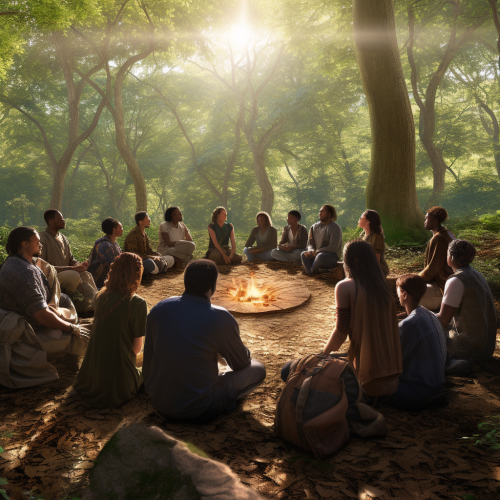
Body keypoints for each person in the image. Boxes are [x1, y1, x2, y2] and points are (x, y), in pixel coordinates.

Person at [143, 259, 266, 422]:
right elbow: (241, 363)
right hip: (200, 407)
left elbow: (148, 360)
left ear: (185, 281)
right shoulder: (221, 317)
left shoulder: (159, 308)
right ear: (212, 286)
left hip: (159, 401)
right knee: (258, 368)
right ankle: (224, 398)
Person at [0, 227, 89, 378]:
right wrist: (71, 328)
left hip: (32, 320)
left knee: (65, 299)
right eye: (37, 242)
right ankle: (71, 348)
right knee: (87, 336)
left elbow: (49, 269)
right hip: (29, 333)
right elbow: (41, 315)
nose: (40, 245)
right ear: (25, 244)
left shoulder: (17, 261)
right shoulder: (23, 271)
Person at [322, 240, 402, 401]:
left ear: (349, 261)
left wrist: (321, 356)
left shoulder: (345, 286)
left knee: (288, 371)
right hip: (394, 380)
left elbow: (340, 332)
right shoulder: (384, 287)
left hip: (368, 382)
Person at [74, 253, 147, 408]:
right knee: (152, 359)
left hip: (93, 376)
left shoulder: (101, 296)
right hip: (118, 384)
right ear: (136, 274)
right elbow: (136, 350)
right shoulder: (136, 303)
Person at [384, 274, 446, 411]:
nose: (398, 296)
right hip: (437, 387)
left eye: (398, 293)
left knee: (368, 387)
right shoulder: (428, 314)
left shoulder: (409, 325)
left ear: (404, 294)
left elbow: (393, 363)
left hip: (420, 392)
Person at [436, 240, 498, 368]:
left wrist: (420, 314)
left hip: (468, 348)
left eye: (447, 253)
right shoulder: (477, 275)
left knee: (423, 332)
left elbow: (443, 320)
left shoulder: (456, 280)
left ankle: (449, 363)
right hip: (486, 347)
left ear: (452, 257)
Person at [39, 209, 97, 313]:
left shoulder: (63, 238)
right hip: (51, 276)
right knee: (73, 275)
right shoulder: (42, 238)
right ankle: (77, 303)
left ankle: (94, 302)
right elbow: (43, 266)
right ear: (51, 221)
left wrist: (79, 265)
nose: (64, 220)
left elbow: (71, 259)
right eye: (61, 218)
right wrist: (73, 268)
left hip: (67, 273)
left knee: (86, 274)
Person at [418, 206, 455, 310]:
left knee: (410, 290)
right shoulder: (447, 234)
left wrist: (415, 279)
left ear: (435, 220)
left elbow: (433, 268)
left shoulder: (439, 238)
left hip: (442, 287)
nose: (424, 221)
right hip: (448, 285)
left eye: (426, 218)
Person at [124, 211, 174, 276]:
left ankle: (160, 266)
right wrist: (151, 257)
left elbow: (148, 250)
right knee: (150, 263)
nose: (149, 220)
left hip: (146, 259)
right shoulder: (133, 235)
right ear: (140, 222)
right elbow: (134, 256)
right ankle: (161, 267)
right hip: (136, 263)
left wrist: (157, 255)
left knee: (170, 258)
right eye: (147, 218)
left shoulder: (144, 233)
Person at [301, 204, 342, 274]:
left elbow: (333, 248)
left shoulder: (335, 228)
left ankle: (312, 272)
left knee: (320, 256)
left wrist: (318, 251)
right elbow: (310, 243)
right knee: (303, 254)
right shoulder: (313, 227)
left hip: (331, 257)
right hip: (316, 255)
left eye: (322, 211)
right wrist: (310, 250)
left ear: (329, 214)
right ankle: (310, 272)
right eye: (319, 211)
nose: (319, 213)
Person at [87, 217, 123, 289]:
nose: (122, 229)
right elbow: (113, 264)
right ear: (114, 229)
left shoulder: (114, 243)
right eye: (120, 227)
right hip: (99, 280)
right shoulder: (104, 245)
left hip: (109, 276)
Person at [358, 209, 389, 276]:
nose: (359, 219)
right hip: (365, 265)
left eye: (361, 218)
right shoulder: (362, 235)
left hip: (377, 268)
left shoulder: (377, 236)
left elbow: (376, 260)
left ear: (368, 221)